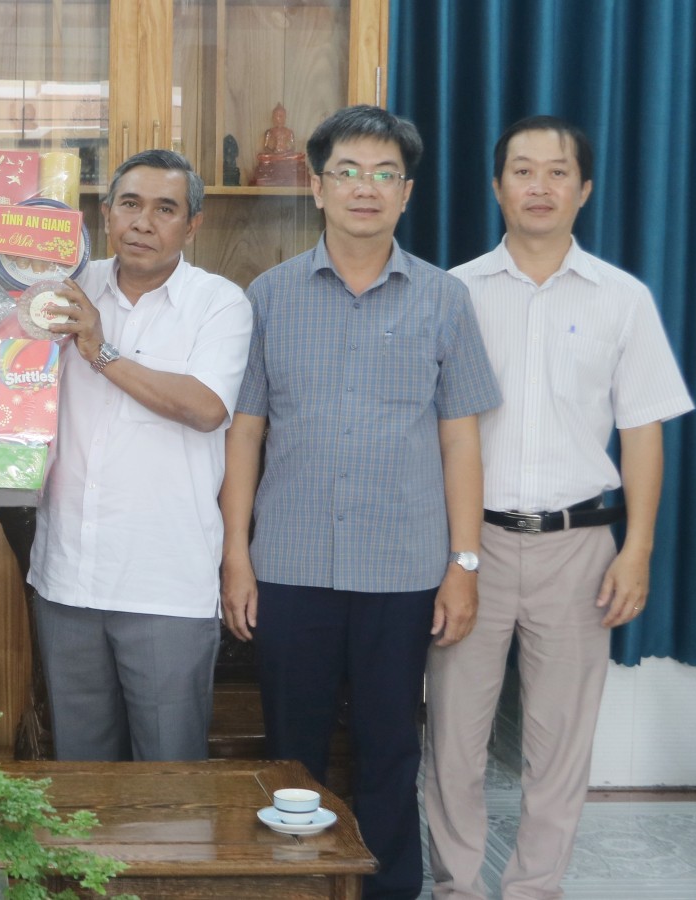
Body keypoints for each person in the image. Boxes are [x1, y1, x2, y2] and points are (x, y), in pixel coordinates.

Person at [219, 105, 502, 899]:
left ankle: (387, 891)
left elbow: (460, 441)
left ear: (407, 193)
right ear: (317, 186)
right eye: (347, 171)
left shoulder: (445, 299)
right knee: (292, 754)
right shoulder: (270, 296)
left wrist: (465, 563)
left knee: (389, 748)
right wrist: (236, 554)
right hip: (291, 565)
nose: (365, 188)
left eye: (384, 174)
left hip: (402, 569)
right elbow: (245, 434)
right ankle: (294, 889)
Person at [423, 116, 694, 900]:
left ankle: (536, 888)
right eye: (522, 170)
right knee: (454, 738)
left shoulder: (623, 299)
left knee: (561, 744)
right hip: (468, 546)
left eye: (556, 171)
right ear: (497, 186)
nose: (539, 186)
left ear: (584, 189)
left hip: (580, 546)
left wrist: (637, 550)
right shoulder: (453, 293)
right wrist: (454, 554)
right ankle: (457, 888)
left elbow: (642, 431)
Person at [27, 149, 252, 761]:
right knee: (81, 774)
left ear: (192, 225)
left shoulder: (220, 303)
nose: (143, 223)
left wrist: (101, 351)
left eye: (165, 209)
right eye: (129, 204)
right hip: (67, 577)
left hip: (164, 584)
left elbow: (206, 407)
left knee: (168, 779)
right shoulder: (60, 290)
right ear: (106, 214)